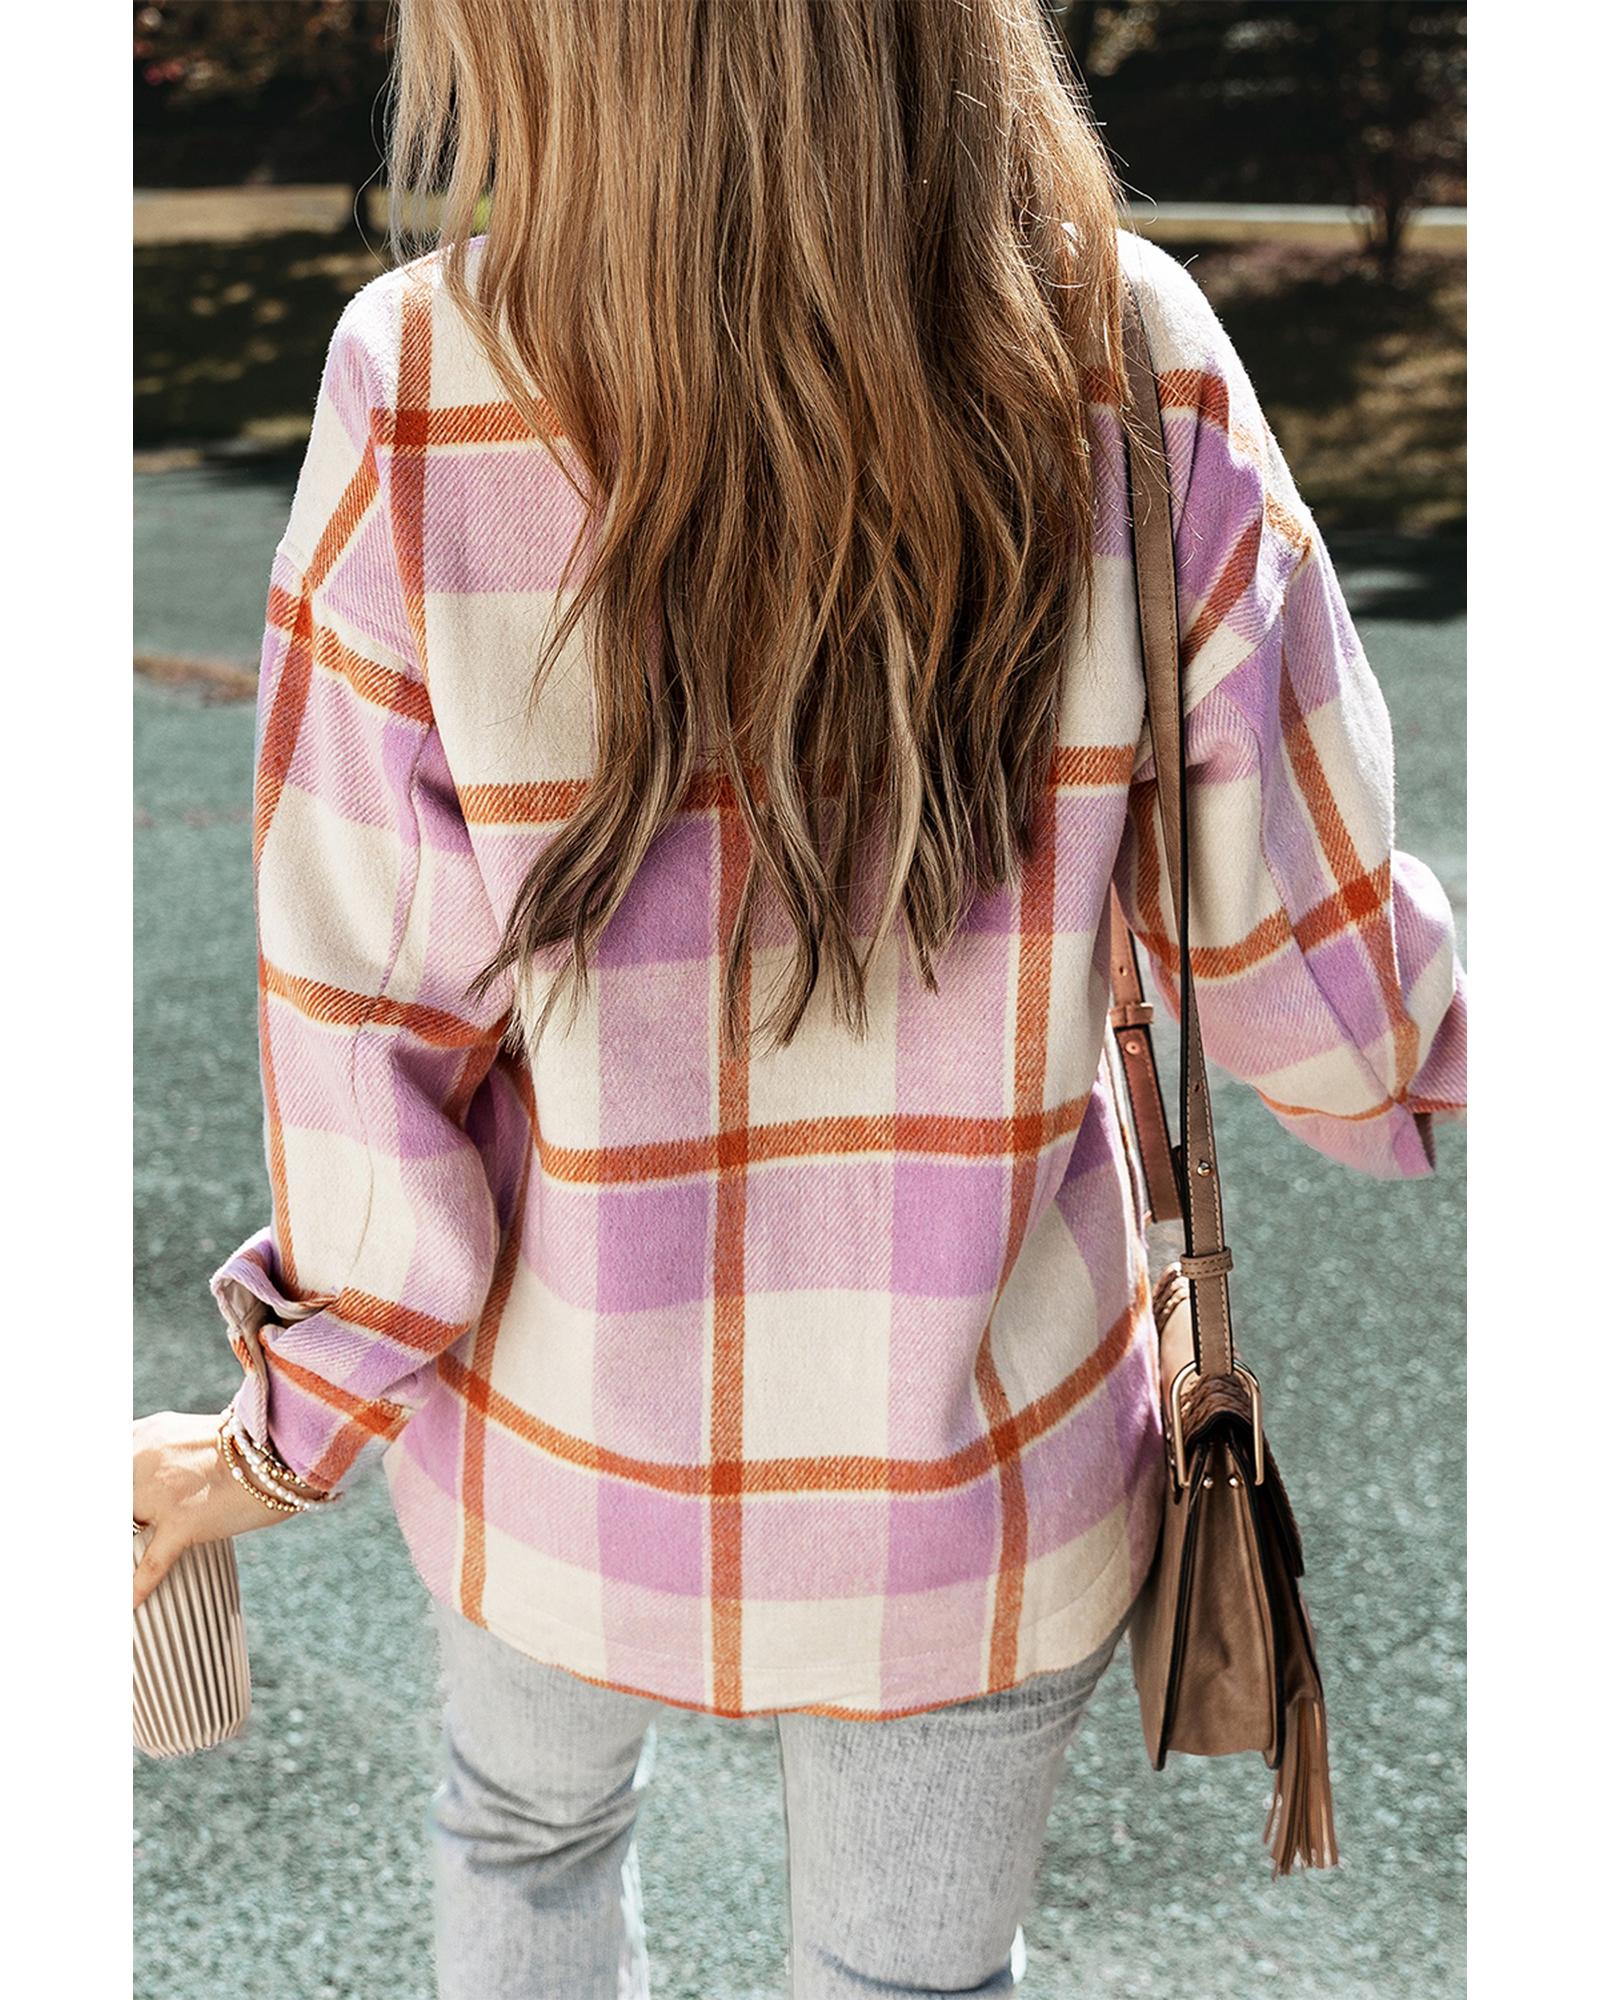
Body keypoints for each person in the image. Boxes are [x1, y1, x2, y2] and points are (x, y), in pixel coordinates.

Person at [132, 3, 1468, 1994]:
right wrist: (1424, 1062)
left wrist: (282, 1428)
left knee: (522, 1841)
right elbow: (1321, 994)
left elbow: (366, 1033)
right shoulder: (1129, 350)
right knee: (911, 1976)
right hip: (978, 1476)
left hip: (558, 1455)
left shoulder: (419, 378)